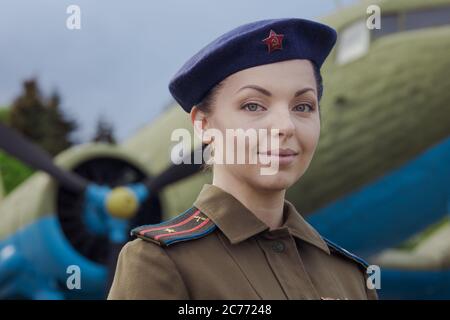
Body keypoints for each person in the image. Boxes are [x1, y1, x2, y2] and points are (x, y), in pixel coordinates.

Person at [108, 18, 378, 300]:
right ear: (203, 123)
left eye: (303, 106)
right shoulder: (159, 264)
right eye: (253, 105)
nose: (285, 126)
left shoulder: (350, 278)